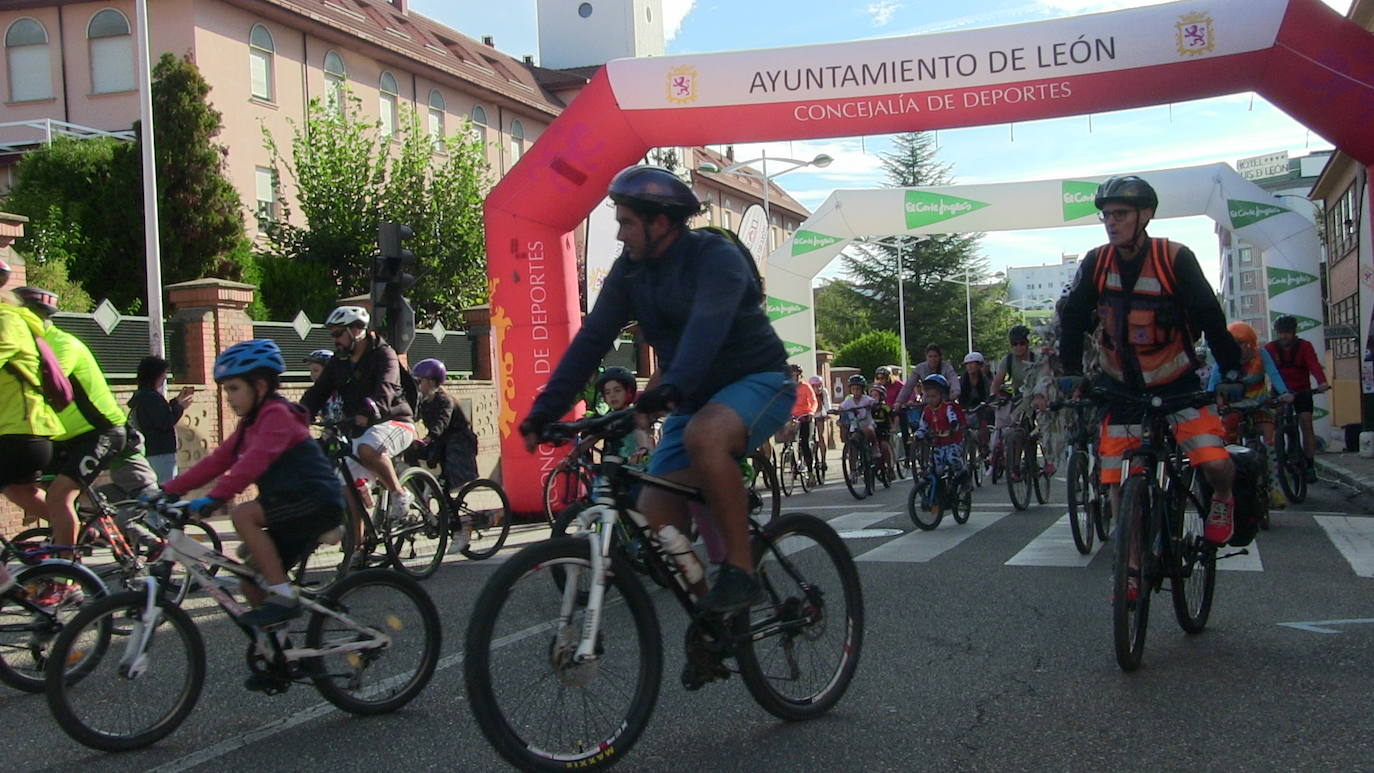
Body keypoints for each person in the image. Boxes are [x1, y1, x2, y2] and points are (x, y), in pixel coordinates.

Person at [518, 165, 794, 619]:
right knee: (654, 512)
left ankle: (741, 572)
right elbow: (592, 340)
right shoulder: (631, 272)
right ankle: (714, 616)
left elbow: (705, 331)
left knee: (704, 437)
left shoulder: (713, 257)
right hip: (693, 397)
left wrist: (665, 393)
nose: (620, 233)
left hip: (759, 380)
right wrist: (545, 410)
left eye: (626, 221)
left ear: (659, 222)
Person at [1058, 175, 1242, 567]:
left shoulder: (1174, 257)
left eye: (1120, 214)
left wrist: (1230, 371)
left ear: (1145, 215)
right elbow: (1072, 316)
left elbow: (1210, 315)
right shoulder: (1096, 261)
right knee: (1116, 484)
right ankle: (1132, 568)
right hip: (1120, 388)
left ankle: (1223, 499)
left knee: (1214, 462)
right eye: (1106, 215)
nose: (1111, 222)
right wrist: (1071, 370)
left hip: (1178, 385)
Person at [162, 340, 344, 632]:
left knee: (243, 514)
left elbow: (253, 463)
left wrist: (213, 499)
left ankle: (284, 596)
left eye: (234, 389)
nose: (228, 397)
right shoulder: (251, 423)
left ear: (259, 386)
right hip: (289, 505)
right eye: (225, 390)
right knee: (250, 582)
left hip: (316, 501)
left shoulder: (278, 416)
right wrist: (169, 489)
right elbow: (219, 460)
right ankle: (278, 656)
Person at [16, 287, 128, 571]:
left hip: (100, 432)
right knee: (18, 484)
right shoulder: (24, 347)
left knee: (59, 495)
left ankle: (67, 577)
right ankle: (80, 528)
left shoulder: (62, 344)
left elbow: (44, 388)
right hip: (62, 437)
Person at [300, 306, 416, 566]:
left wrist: (369, 410)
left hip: (395, 421)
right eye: (332, 335)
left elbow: (386, 387)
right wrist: (299, 415)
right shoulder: (338, 362)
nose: (335, 340)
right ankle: (358, 548)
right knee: (346, 485)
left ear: (356, 330)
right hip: (360, 428)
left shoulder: (383, 353)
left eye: (338, 334)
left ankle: (399, 494)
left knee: (367, 449)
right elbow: (317, 393)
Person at [0, 270, 64, 559]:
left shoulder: (7, 320)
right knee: (19, 491)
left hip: (23, 431)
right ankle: (79, 532)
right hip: (16, 430)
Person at [1209, 321, 1292, 507]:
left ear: (1251, 343)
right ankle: (1230, 489)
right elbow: (1212, 385)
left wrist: (1285, 393)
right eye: (1236, 343)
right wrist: (1210, 401)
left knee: (1269, 441)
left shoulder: (1261, 355)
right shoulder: (1224, 359)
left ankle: (1275, 489)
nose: (1241, 348)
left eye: (1244, 343)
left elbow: (1274, 374)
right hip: (1234, 408)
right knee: (1229, 447)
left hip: (1260, 405)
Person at [1264, 314, 1329, 483]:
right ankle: (1276, 453)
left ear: (1294, 332)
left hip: (1302, 391)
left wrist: (1322, 382)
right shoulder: (1270, 348)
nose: (1284, 336)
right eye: (1281, 332)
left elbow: (1313, 365)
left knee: (1306, 423)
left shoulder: (1305, 347)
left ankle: (1309, 465)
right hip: (1280, 392)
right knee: (1273, 422)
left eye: (1287, 332)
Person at [410, 358, 480, 490]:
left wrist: (430, 437)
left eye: (420, 381)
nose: (417, 385)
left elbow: (442, 422)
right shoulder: (423, 401)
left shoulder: (445, 400)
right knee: (411, 451)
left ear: (431, 382)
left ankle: (446, 504)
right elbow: (412, 417)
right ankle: (420, 489)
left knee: (446, 480)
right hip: (440, 442)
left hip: (457, 442)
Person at [128, 355, 194, 482]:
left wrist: (176, 401)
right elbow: (165, 421)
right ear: (155, 376)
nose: (164, 377)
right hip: (160, 452)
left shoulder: (142, 396)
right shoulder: (151, 397)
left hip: (152, 450)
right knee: (166, 489)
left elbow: (160, 414)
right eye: (163, 373)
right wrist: (180, 408)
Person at [913, 374, 970, 512]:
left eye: (934, 396)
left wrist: (953, 426)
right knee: (937, 468)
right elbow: (924, 425)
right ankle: (940, 494)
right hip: (938, 443)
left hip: (952, 442)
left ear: (942, 395)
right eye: (928, 396)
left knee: (952, 459)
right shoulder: (926, 411)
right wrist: (919, 435)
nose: (931, 399)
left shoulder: (948, 408)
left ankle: (964, 479)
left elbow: (953, 419)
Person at [990, 325, 1036, 461]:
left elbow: (1045, 377)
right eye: (1014, 344)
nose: (1018, 347)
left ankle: (1047, 460)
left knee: (1042, 427)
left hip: (1036, 394)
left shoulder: (1036, 358)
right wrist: (994, 395)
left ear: (1027, 344)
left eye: (1022, 343)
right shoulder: (1007, 360)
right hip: (1019, 396)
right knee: (1015, 428)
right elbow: (997, 381)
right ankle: (1015, 464)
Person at [595, 365, 654, 464]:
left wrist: (643, 448)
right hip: (612, 466)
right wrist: (573, 454)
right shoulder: (607, 418)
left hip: (636, 467)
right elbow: (593, 437)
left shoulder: (634, 415)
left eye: (617, 390)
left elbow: (640, 431)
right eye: (607, 392)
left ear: (630, 393)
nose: (612, 395)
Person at [897, 343, 962, 405]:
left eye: (935, 356)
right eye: (930, 356)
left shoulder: (947, 367)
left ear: (940, 357)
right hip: (927, 402)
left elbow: (953, 380)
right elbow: (908, 385)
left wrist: (955, 393)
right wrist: (899, 401)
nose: (933, 359)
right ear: (926, 357)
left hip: (945, 401)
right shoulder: (920, 368)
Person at [958, 352, 994, 453]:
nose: (969, 367)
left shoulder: (985, 380)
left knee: (984, 426)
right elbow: (958, 394)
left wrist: (987, 404)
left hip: (981, 409)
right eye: (967, 364)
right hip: (967, 409)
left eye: (973, 364)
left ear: (979, 365)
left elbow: (989, 395)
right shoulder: (962, 381)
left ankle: (984, 447)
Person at [787, 364, 818, 475]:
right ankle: (793, 466)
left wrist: (811, 412)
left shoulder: (806, 386)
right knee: (788, 442)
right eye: (792, 376)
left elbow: (813, 401)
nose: (795, 378)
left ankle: (810, 472)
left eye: (797, 376)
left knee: (804, 442)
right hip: (792, 418)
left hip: (805, 417)